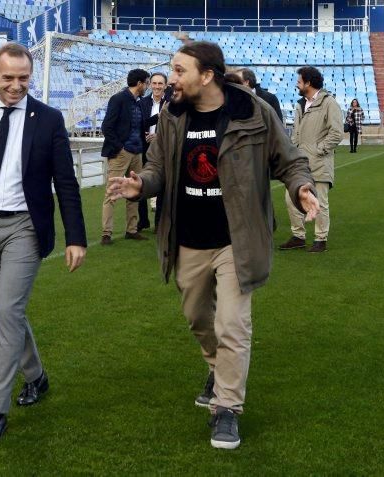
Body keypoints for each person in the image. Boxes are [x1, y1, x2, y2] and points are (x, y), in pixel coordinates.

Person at [106, 41, 319, 450]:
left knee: (232, 325)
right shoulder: (171, 115)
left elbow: (289, 160)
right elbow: (156, 169)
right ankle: (219, 368)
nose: (172, 78)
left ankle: (227, 409)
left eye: (180, 70)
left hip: (236, 238)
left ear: (207, 75)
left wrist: (302, 188)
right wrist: (140, 186)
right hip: (187, 238)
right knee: (198, 319)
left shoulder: (254, 113)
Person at [0, 42, 88, 443]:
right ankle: (37, 376)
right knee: (6, 312)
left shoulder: (48, 119)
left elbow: (65, 181)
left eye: (24, 78)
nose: (16, 86)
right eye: (9, 77)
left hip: (25, 229)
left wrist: (76, 238)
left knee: (7, 314)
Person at [278, 66, 344, 254]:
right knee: (291, 199)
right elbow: (296, 133)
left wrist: (319, 150)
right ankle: (298, 236)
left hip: (320, 162)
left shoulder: (329, 103)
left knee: (320, 202)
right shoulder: (300, 104)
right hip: (299, 165)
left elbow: (337, 132)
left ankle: (320, 239)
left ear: (308, 83)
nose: (296, 84)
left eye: (299, 81)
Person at [100, 68, 150, 245]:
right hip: (122, 153)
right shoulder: (118, 99)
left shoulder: (139, 102)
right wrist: (120, 148)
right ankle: (106, 233)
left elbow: (139, 125)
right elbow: (107, 126)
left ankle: (132, 229)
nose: (148, 86)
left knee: (135, 191)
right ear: (139, 84)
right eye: (146, 83)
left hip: (137, 153)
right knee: (112, 192)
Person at [138, 72, 169, 232]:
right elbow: (138, 123)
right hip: (143, 147)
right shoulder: (142, 103)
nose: (157, 86)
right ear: (150, 84)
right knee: (140, 182)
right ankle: (143, 221)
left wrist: (158, 135)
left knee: (162, 185)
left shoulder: (171, 103)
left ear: (165, 85)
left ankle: (159, 223)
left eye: (160, 83)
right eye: (154, 83)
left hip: (162, 150)